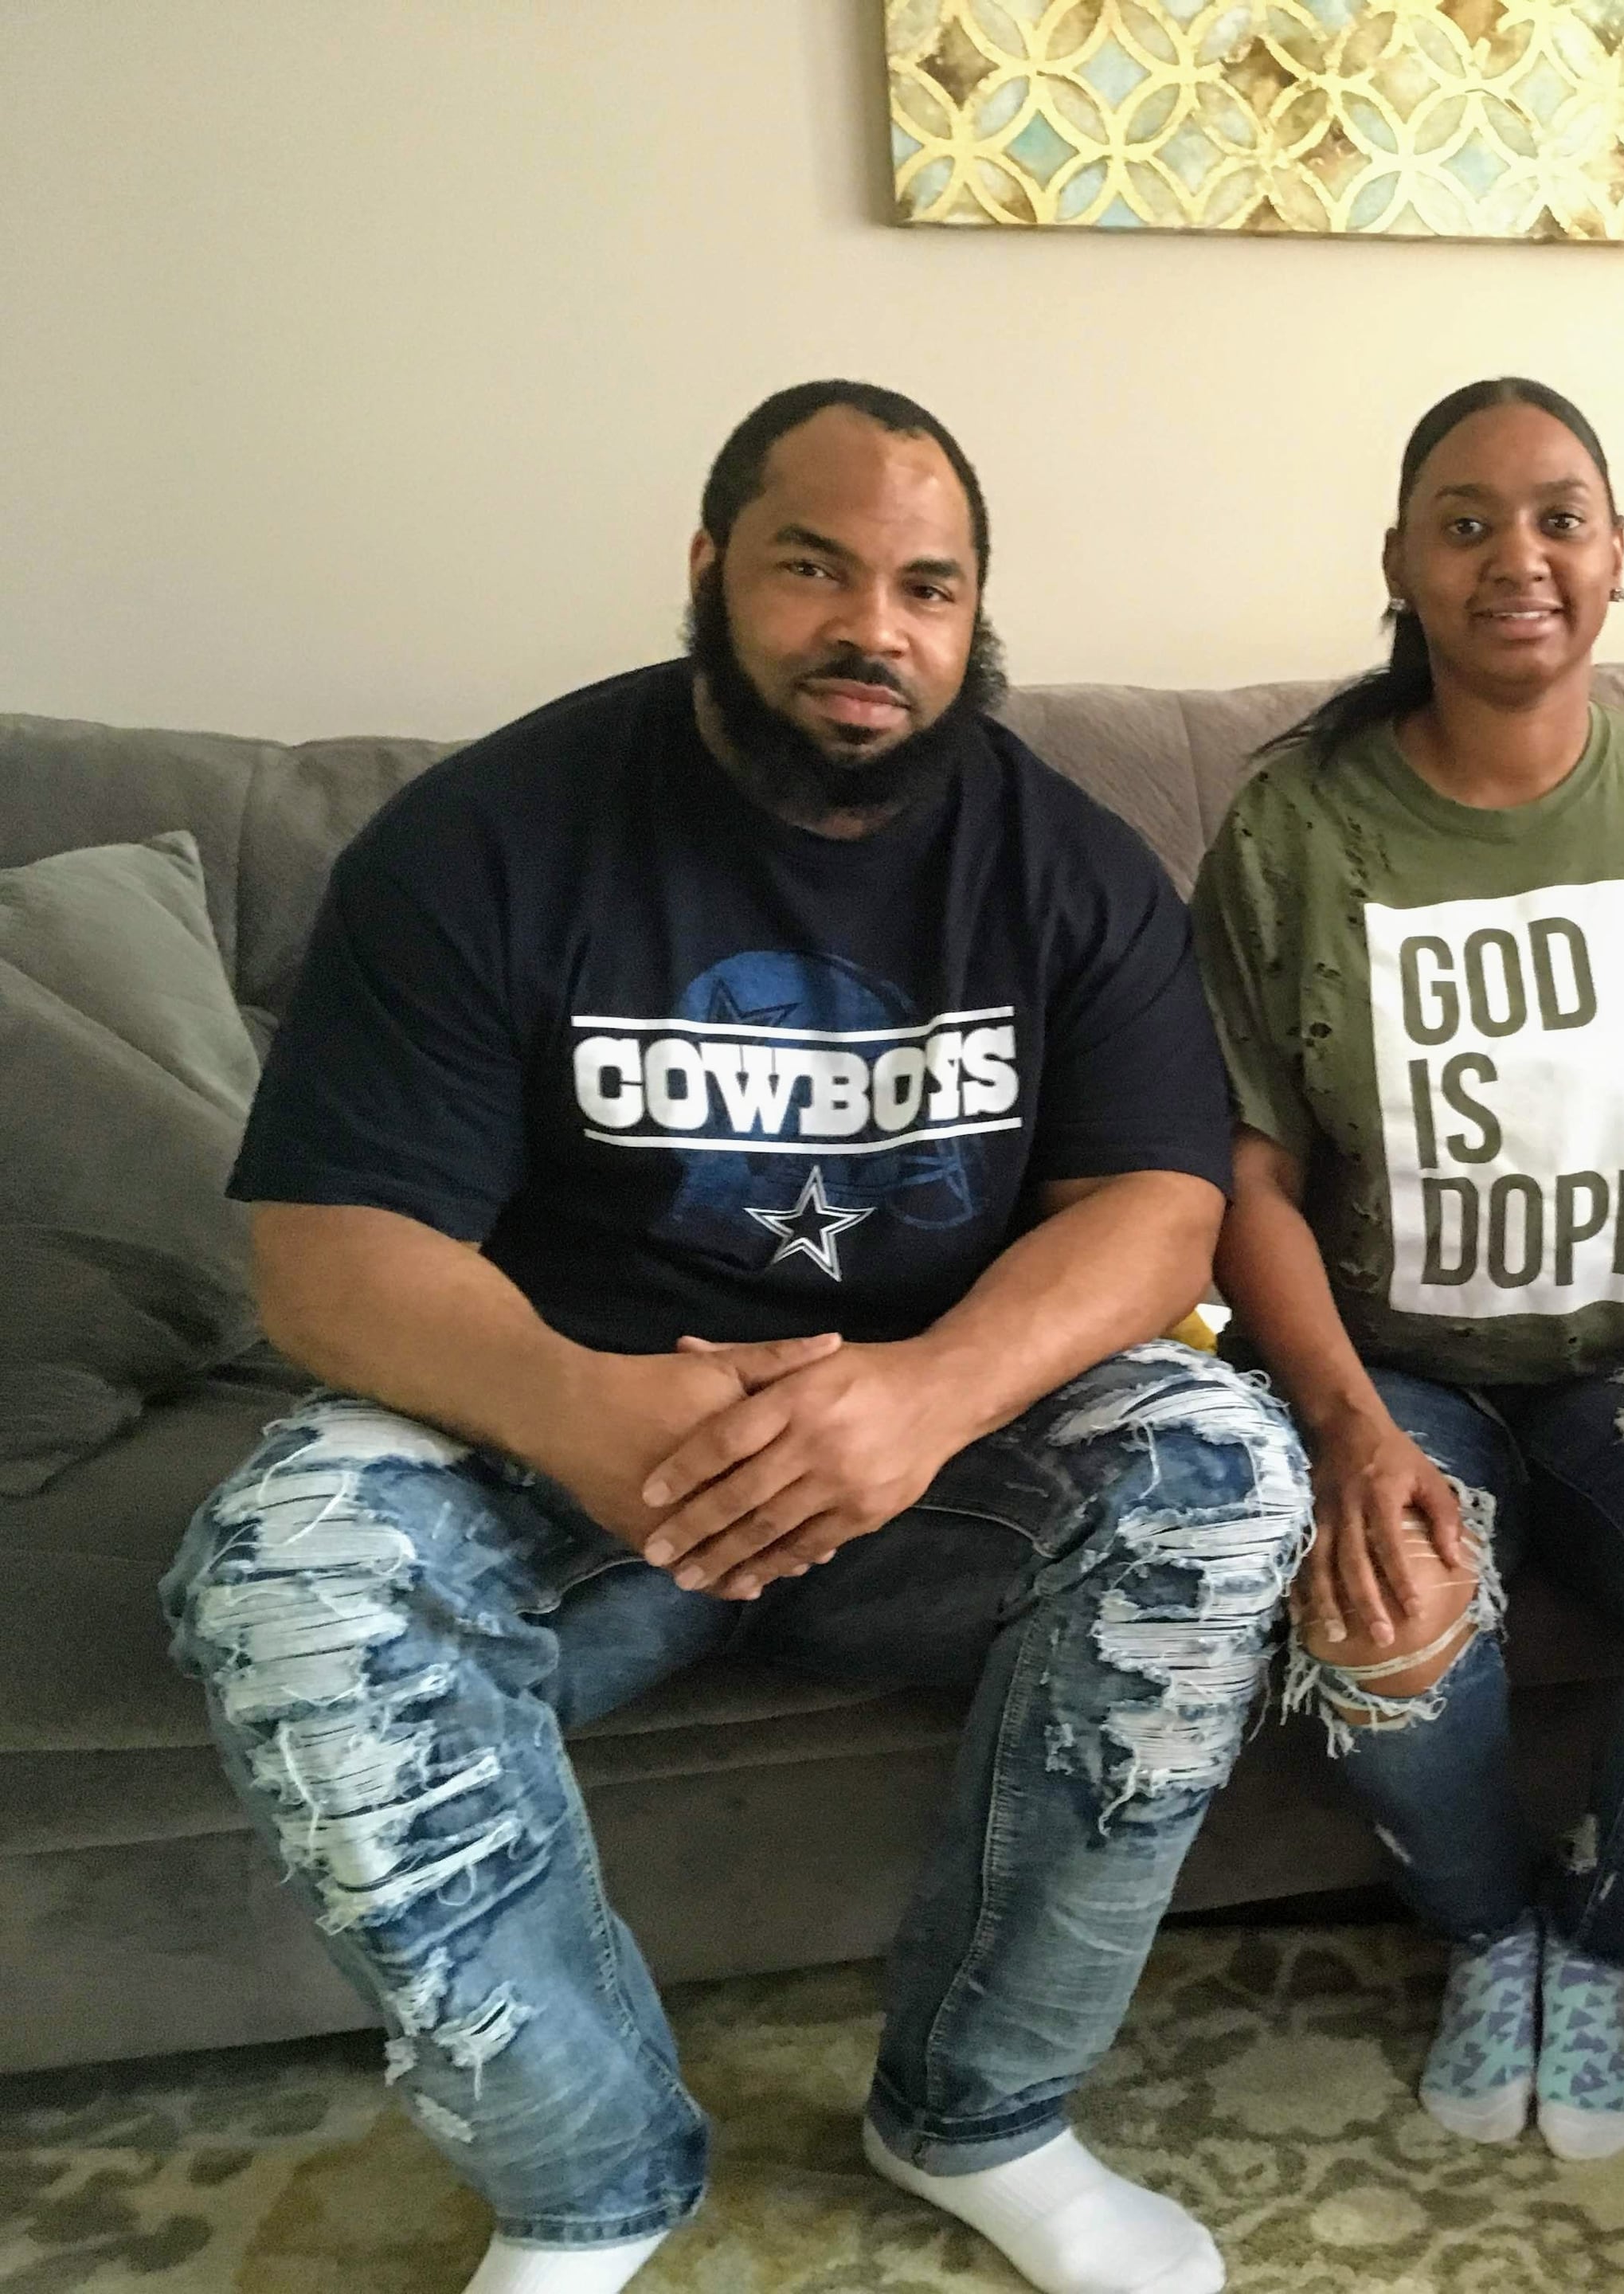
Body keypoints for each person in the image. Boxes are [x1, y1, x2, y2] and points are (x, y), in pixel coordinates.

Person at [160, 380, 1305, 2294]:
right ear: (709, 572)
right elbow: (329, 1256)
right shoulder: (484, 839)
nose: (876, 628)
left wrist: (929, 1398)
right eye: (816, 568)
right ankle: (586, 2181)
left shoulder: (1068, 861)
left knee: (1219, 1472)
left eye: (929, 588)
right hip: (573, 1450)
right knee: (288, 1572)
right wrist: (583, 1411)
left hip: (924, 1471)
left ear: (973, 620)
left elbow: (1157, 1206)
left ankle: (984, 2112)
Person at [1192, 377, 1624, 2162]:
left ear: (1619, 560)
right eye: (1468, 521)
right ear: (1401, 566)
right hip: (1395, 1358)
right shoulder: (1292, 834)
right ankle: (1489, 1930)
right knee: (1384, 1619)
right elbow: (1243, 1180)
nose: (1519, 557)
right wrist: (1343, 1428)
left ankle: (1600, 1932)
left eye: (1561, 516)